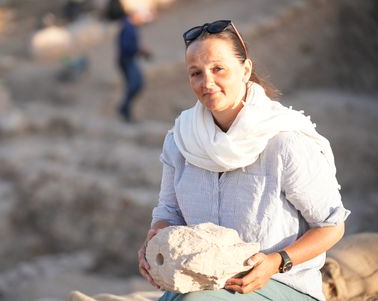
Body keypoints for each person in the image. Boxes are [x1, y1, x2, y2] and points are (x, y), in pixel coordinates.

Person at [137, 20, 350, 301]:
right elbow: (168, 214)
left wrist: (277, 261)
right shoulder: (180, 140)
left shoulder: (284, 141)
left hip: (279, 284)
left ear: (245, 70)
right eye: (195, 73)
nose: (207, 82)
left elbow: (331, 226)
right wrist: (156, 245)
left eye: (218, 69)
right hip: (202, 282)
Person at [117, 7, 151, 122]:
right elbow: (127, 47)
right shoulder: (128, 27)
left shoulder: (130, 27)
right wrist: (140, 50)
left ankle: (125, 110)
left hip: (128, 59)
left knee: (134, 85)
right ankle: (124, 109)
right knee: (135, 84)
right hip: (126, 60)